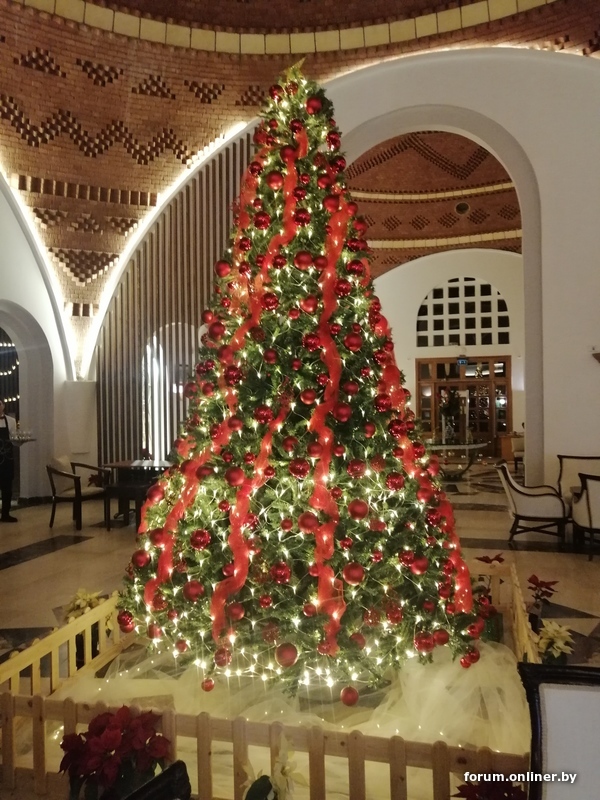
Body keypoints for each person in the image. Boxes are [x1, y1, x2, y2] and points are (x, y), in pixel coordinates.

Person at [0, 400, 17, 522]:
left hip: (7, 459)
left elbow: (14, 439)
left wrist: (20, 441)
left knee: (7, 488)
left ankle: (5, 514)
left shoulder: (11, 421)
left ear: (3, 406)